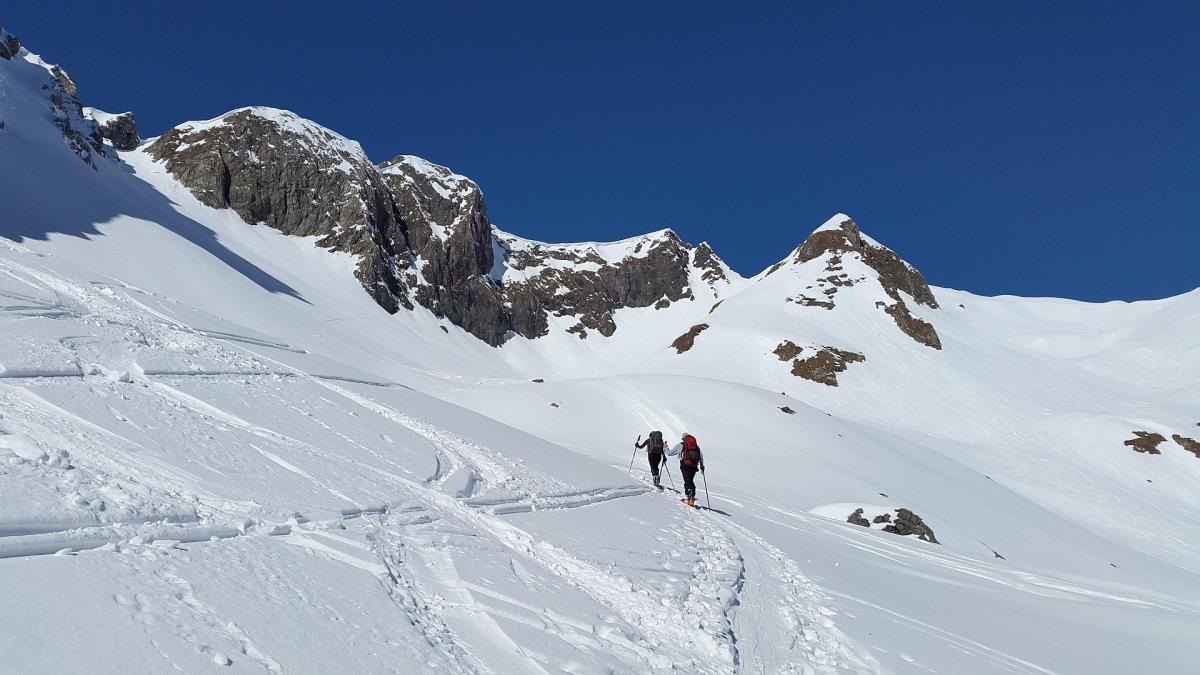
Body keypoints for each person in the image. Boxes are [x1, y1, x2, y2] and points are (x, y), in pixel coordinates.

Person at [667, 432, 704, 506]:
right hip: (694, 465)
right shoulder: (695, 445)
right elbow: (701, 455)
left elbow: (670, 453)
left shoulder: (681, 445)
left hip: (685, 464)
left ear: (683, 438)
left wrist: (665, 448)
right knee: (690, 480)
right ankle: (691, 496)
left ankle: (689, 497)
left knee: (687, 480)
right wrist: (702, 465)